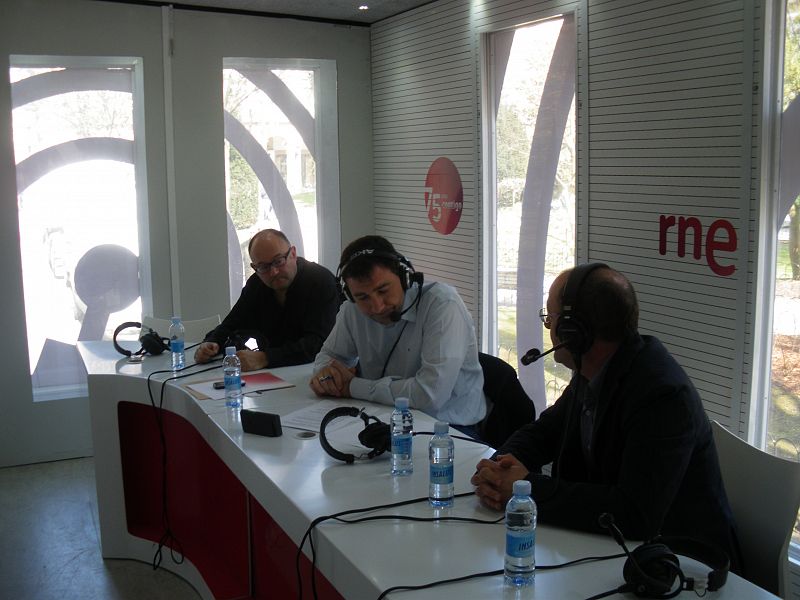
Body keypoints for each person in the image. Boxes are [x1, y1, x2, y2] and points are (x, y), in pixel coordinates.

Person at [471, 263, 741, 570]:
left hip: (682, 566)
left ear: (575, 332)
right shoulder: (595, 370)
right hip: (613, 551)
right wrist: (501, 466)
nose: (549, 329)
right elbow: (545, 431)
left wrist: (526, 489)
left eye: (551, 318)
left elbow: (634, 514)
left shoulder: (662, 397)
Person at [309, 235, 487, 433]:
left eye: (383, 290)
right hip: (381, 418)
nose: (377, 306)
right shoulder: (352, 310)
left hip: (447, 429)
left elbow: (430, 395)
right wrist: (327, 376)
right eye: (362, 297)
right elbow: (328, 358)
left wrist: (352, 387)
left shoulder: (443, 305)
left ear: (405, 278)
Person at [194, 229, 340, 371]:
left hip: (317, 372)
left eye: (278, 261)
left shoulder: (321, 282)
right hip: (273, 376)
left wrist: (265, 358)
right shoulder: (257, 284)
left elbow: (318, 343)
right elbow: (232, 322)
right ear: (254, 267)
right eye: (263, 266)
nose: (273, 272)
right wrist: (211, 343)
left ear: (293, 254)